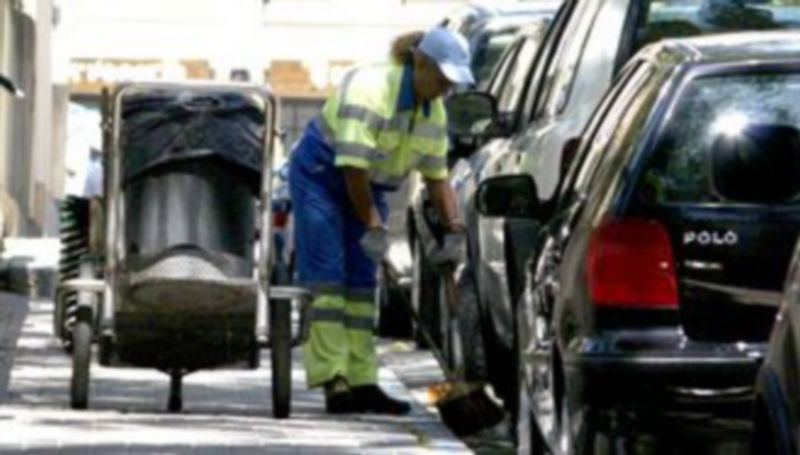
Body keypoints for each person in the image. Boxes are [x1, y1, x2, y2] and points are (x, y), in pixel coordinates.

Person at [289, 26, 474, 415]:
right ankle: (334, 379)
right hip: (322, 177)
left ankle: (363, 380)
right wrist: (373, 223)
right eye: (442, 79)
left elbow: (437, 177)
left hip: (368, 186)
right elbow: (352, 167)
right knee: (328, 279)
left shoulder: (434, 112)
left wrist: (454, 229)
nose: (446, 89)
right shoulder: (371, 89)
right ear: (420, 63)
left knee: (361, 285)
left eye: (451, 83)